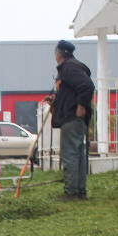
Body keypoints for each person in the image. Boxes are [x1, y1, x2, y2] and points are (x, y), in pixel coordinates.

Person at [46, 40, 94, 200]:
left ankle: (72, 192)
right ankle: (79, 191)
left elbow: (86, 85)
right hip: (74, 116)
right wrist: (56, 99)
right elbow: (72, 91)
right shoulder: (73, 67)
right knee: (78, 154)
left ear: (58, 54)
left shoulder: (68, 67)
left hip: (72, 117)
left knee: (70, 154)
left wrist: (81, 105)